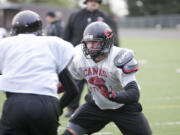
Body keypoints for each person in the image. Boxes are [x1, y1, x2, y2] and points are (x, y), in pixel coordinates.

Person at [61, 21, 152, 135]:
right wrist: (60, 86)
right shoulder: (79, 55)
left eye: (96, 43)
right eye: (89, 42)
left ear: (107, 42)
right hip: (97, 104)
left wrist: (112, 95)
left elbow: (134, 93)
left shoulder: (119, 58)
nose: (91, 47)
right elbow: (74, 77)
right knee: (70, 131)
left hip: (124, 107)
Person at [0, 10, 78, 135]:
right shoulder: (53, 44)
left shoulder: (5, 44)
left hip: (15, 104)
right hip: (46, 104)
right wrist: (57, 108)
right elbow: (72, 90)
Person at [63, 0, 119, 118]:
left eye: (96, 1)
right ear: (86, 2)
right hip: (78, 57)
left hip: (99, 58)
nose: (93, 3)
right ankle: (72, 108)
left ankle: (95, 107)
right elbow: (66, 34)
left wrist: (115, 54)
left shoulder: (104, 17)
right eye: (91, 1)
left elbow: (112, 37)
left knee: (97, 83)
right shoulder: (75, 16)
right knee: (75, 83)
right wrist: (66, 52)